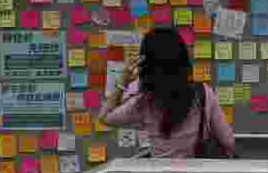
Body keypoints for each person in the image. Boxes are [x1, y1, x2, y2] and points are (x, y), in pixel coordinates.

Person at [98, 27, 236, 158]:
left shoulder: (143, 102)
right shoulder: (203, 93)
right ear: (183, 59)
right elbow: (228, 141)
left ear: (146, 64)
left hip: (159, 172)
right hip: (197, 172)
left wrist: (123, 82)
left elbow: (105, 117)